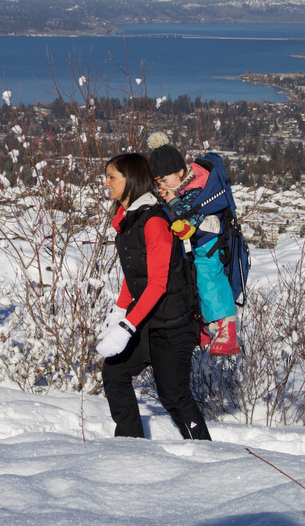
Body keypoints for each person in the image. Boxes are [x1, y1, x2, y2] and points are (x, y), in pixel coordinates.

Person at [96, 153, 211, 440]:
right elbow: (135, 274)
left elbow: (158, 283)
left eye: (112, 177)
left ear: (130, 179)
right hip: (148, 318)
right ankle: (130, 444)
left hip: (173, 325)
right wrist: (119, 311)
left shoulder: (154, 221)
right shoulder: (128, 220)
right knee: (114, 374)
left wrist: (126, 326)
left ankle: (205, 452)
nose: (106, 183)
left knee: (174, 396)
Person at [147, 132, 240, 356]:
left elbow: (187, 212)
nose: (162, 185)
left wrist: (170, 200)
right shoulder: (179, 186)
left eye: (165, 180)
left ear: (180, 172)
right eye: (158, 182)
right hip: (195, 243)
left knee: (209, 277)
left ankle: (227, 327)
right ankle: (208, 326)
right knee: (193, 281)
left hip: (210, 243)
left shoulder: (196, 188)